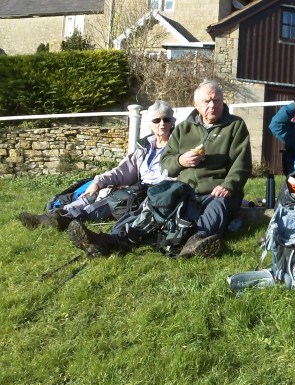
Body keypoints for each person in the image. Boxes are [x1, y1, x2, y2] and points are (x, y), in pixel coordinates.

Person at [68, 81, 252, 258]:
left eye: (217, 100)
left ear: (222, 101)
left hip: (218, 190)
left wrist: (229, 185)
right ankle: (112, 240)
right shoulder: (183, 129)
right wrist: (180, 161)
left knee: (217, 210)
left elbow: (242, 163)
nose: (212, 105)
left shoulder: (235, 126)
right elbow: (166, 163)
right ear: (195, 104)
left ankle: (195, 242)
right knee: (152, 207)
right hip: (185, 189)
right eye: (207, 101)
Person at [19, 100, 176, 230]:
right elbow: (122, 170)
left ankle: (64, 219)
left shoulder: (178, 146)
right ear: (150, 124)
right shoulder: (145, 146)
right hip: (137, 187)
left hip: (156, 193)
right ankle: (55, 214)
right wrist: (99, 181)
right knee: (97, 191)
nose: (162, 124)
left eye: (166, 119)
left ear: (172, 122)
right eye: (157, 120)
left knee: (112, 199)